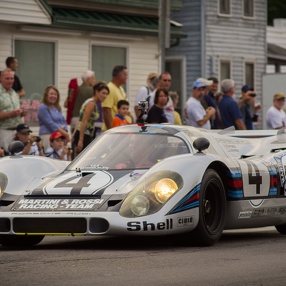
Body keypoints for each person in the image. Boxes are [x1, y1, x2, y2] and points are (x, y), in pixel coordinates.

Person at [73, 81, 109, 155]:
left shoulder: (94, 103)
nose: (105, 96)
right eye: (103, 93)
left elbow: (79, 120)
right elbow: (84, 121)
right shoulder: (91, 103)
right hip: (84, 134)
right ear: (96, 92)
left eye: (106, 94)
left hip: (86, 134)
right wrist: (81, 140)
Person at [0, 68, 28, 152]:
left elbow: (17, 112)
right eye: (7, 78)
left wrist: (22, 113)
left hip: (17, 132)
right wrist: (10, 114)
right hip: (4, 131)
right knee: (6, 160)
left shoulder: (14, 93)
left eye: (12, 78)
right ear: (1, 79)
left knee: (18, 159)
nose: (10, 81)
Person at [37, 85, 70, 152]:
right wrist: (64, 133)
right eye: (51, 94)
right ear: (46, 95)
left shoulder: (57, 108)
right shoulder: (43, 107)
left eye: (55, 94)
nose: (53, 96)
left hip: (59, 137)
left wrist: (65, 131)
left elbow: (63, 121)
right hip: (48, 136)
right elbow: (50, 124)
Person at [102, 65, 129, 130]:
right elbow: (106, 110)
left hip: (121, 128)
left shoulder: (121, 89)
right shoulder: (109, 88)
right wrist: (111, 130)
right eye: (125, 75)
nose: (127, 77)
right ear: (119, 76)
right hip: (114, 131)